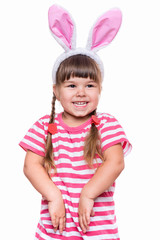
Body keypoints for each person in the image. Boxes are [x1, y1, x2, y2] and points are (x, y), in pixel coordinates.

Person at [19, 4, 132, 240]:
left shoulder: (106, 124)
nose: (81, 92)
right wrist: (54, 195)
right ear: (56, 91)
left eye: (89, 86)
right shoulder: (44, 126)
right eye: (71, 86)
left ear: (100, 89)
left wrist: (88, 194)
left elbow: (115, 163)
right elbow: (31, 166)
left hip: (98, 232)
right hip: (53, 230)